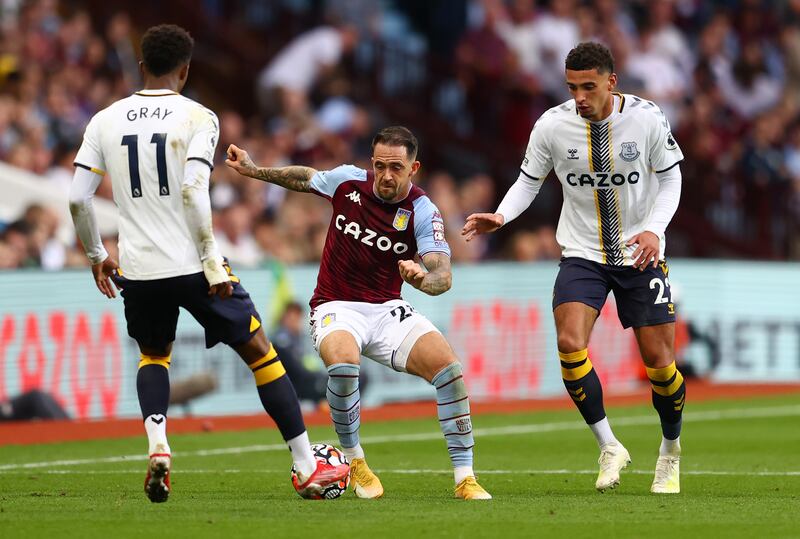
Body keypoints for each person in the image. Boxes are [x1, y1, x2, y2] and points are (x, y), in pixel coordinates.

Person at [68, 24, 348, 503]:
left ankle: (159, 448)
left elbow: (77, 198)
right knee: (261, 351)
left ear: (141, 67)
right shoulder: (199, 116)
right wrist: (211, 262)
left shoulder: (104, 120)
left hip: (138, 269)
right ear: (186, 69)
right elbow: (194, 190)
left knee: (154, 355)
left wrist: (97, 255)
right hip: (194, 264)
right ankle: (306, 465)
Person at [463, 42, 685, 494]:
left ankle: (670, 451)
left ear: (611, 82)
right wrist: (502, 215)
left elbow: (671, 177)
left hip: (638, 253)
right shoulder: (551, 125)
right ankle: (609, 445)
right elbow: (529, 180)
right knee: (569, 342)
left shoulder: (645, 118)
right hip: (582, 251)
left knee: (660, 365)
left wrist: (655, 231)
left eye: (588, 86)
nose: (579, 96)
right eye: (572, 87)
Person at [225, 126, 491, 500]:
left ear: (414, 168)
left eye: (396, 168)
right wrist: (255, 171)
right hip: (335, 304)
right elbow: (304, 178)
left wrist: (422, 279)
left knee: (450, 372)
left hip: (386, 309)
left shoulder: (422, 210)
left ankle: (465, 478)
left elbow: (442, 274)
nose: (386, 175)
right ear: (371, 163)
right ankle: (354, 459)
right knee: (344, 364)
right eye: (380, 165)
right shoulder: (348, 181)